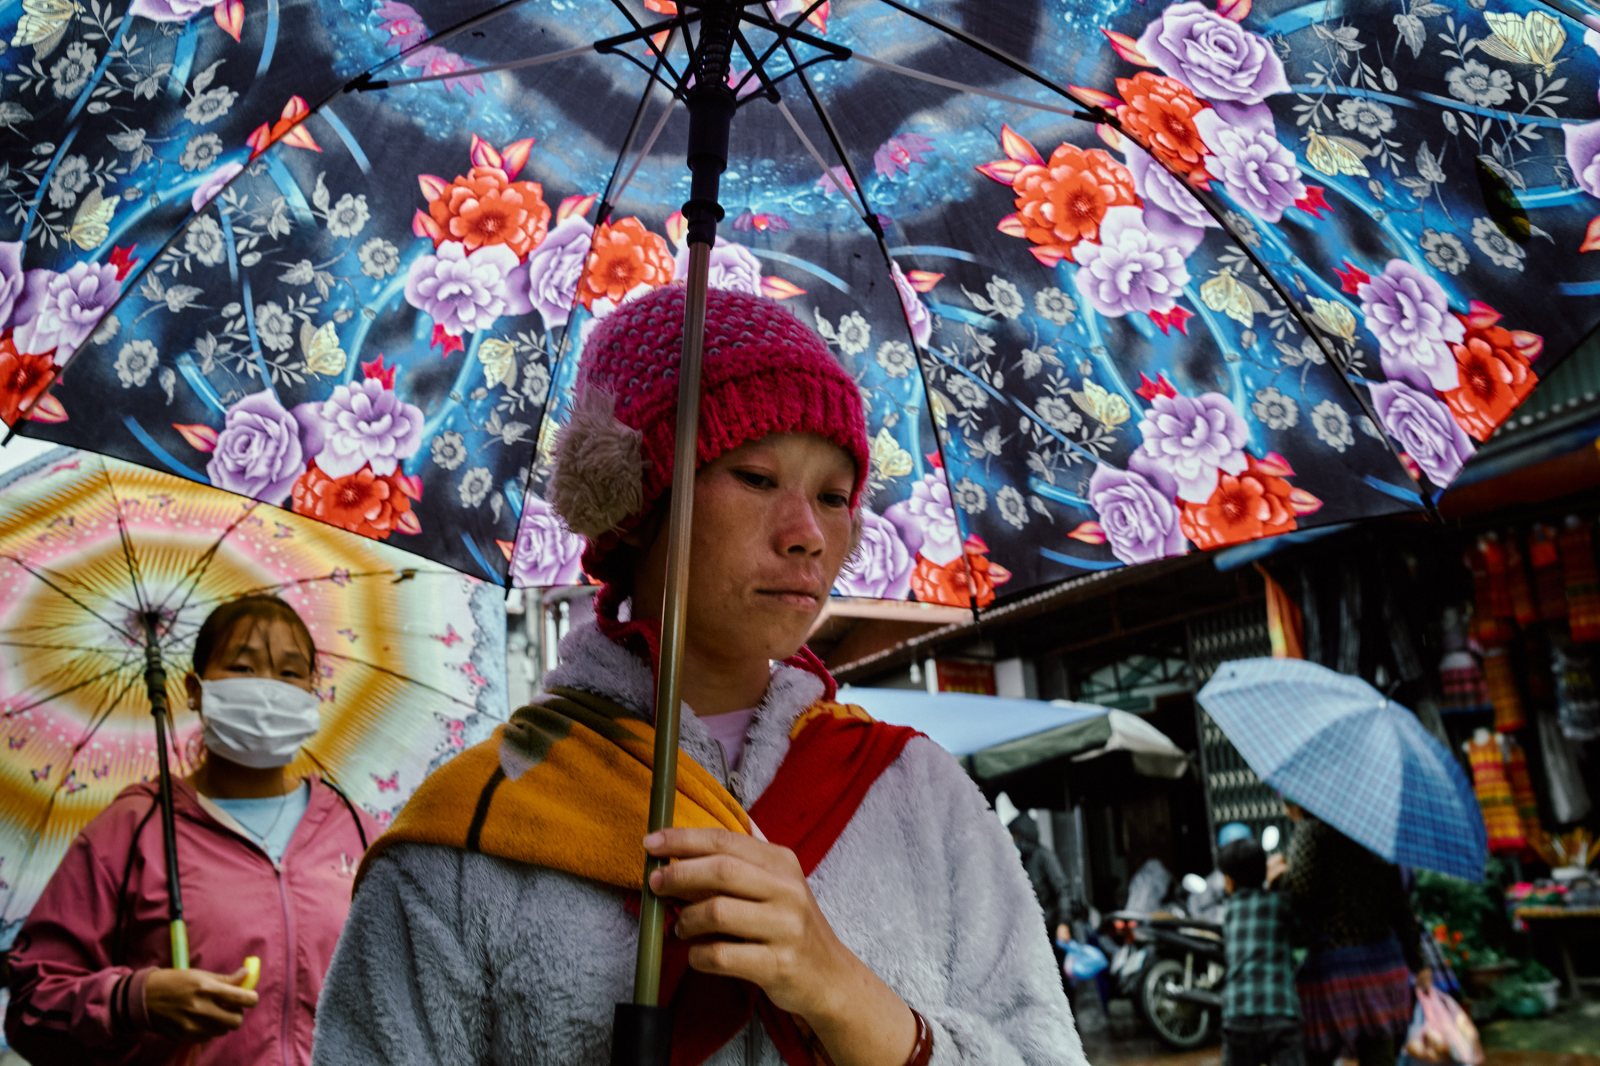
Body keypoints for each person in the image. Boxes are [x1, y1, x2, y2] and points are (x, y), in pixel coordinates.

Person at [311, 285, 1085, 1065]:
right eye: (755, 477)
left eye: (835, 495)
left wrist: (845, 994)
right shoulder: (473, 831)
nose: (808, 535)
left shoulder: (922, 795)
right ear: (633, 499)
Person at [5, 595, 377, 1065]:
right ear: (195, 690)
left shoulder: (356, 832)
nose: (267, 689)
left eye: (288, 673)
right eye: (243, 668)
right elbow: (31, 1003)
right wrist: (133, 1000)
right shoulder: (133, 830)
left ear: (311, 691)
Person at [1275, 801, 1430, 1066]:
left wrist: (1278, 877)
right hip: (1384, 964)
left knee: (1314, 1051)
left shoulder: (1311, 831)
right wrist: (1418, 962)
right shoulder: (1371, 833)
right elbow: (1399, 904)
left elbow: (1299, 892)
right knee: (1379, 1051)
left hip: (1336, 968)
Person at [1218, 836, 1301, 1066]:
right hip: (1280, 1010)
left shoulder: (1229, 911)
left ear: (1229, 882)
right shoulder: (1282, 903)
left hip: (1238, 1012)